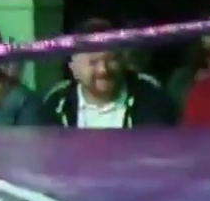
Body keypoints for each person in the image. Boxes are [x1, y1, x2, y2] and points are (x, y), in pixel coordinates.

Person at [43, 19, 177, 127]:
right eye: (93, 62)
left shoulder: (151, 100)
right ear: (73, 67)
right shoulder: (56, 104)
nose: (103, 70)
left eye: (111, 60)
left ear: (122, 60)